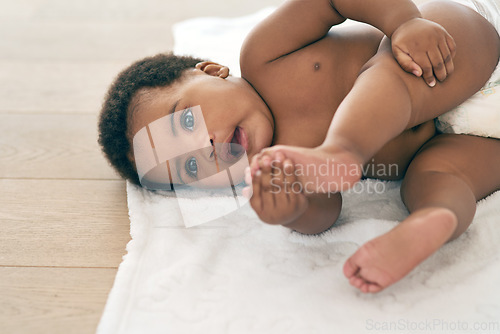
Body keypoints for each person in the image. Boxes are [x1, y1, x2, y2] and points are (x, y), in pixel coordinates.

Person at [98, 0, 500, 293]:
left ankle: (344, 148)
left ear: (211, 70)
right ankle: (435, 220)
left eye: (186, 119)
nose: (206, 146)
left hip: (445, 52)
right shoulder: (279, 169)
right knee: (434, 180)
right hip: (463, 141)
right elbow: (326, 211)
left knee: (385, 75)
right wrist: (294, 209)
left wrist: (404, 21)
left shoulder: (265, 55)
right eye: (190, 168)